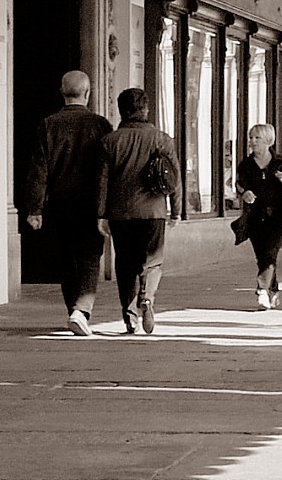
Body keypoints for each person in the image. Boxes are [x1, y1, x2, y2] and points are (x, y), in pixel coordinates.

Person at [20, 69, 111, 336]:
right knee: (90, 256)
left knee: (66, 257)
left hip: (59, 203)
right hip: (91, 204)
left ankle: (74, 308)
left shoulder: (48, 125)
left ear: (62, 92)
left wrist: (35, 208)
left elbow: (38, 170)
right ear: (88, 92)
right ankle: (81, 310)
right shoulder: (100, 125)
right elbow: (107, 170)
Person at [101, 87, 179, 335]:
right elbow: (173, 178)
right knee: (152, 261)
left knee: (124, 262)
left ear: (120, 110)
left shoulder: (110, 141)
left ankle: (129, 315)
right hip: (153, 211)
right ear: (145, 109)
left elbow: (101, 182)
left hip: (120, 213)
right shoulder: (162, 139)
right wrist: (176, 210)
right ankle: (147, 298)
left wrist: (100, 214)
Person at [233, 123, 282, 310]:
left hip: (279, 217)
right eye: (251, 137)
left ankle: (262, 290)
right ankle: (273, 289)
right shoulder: (246, 165)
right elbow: (239, 184)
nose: (252, 142)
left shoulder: (280, 163)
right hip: (255, 217)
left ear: (268, 141)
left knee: (271, 252)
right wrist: (245, 193)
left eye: (257, 138)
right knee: (263, 256)